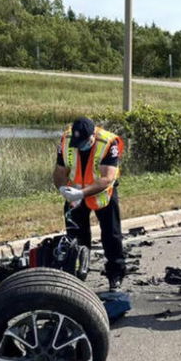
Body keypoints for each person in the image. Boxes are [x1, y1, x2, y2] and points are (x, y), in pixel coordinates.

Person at [54, 117, 127, 290]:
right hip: (75, 196)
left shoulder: (108, 143)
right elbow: (59, 171)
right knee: (76, 237)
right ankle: (77, 275)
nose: (80, 146)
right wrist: (62, 189)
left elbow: (107, 177)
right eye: (77, 142)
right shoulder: (66, 140)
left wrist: (82, 193)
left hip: (102, 195)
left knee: (111, 235)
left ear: (93, 135)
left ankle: (115, 275)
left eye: (84, 142)